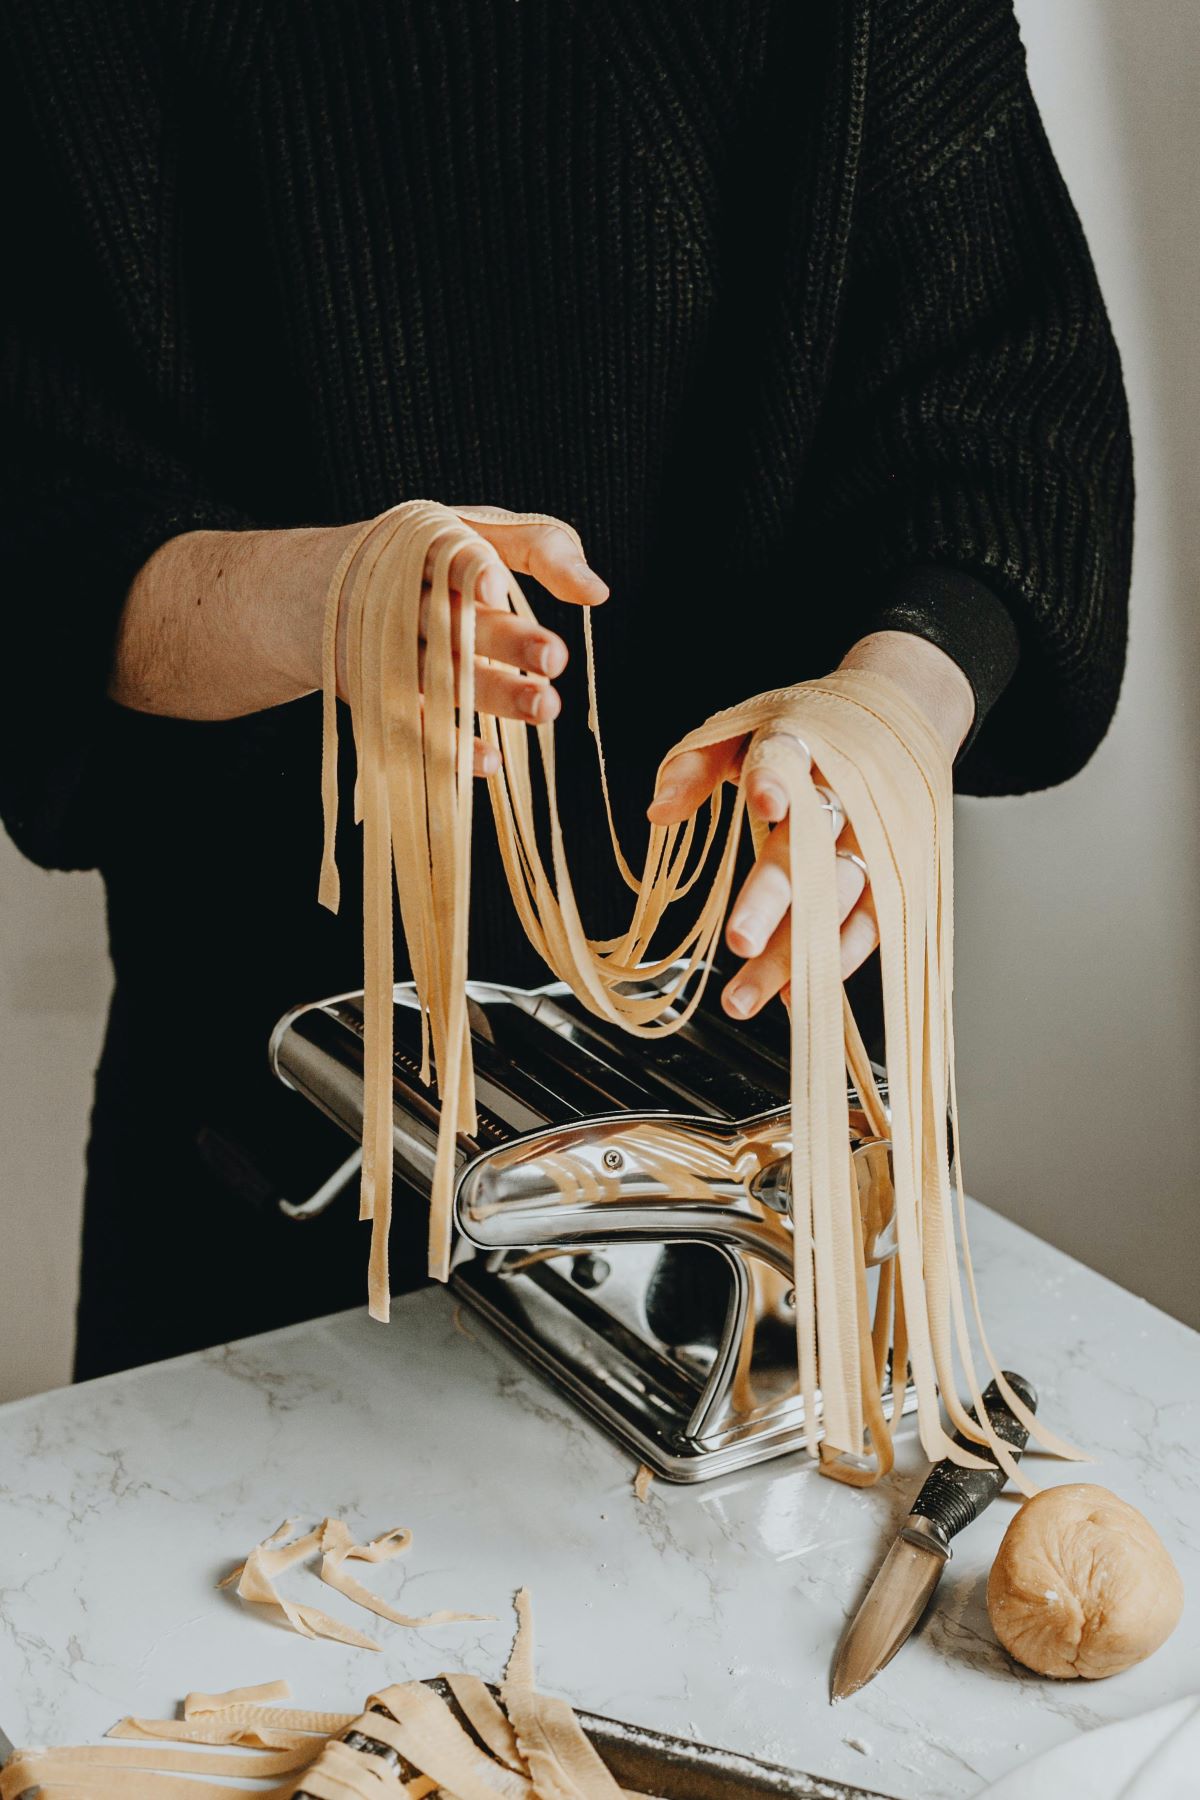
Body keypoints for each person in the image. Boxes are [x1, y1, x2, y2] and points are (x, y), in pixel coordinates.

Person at [0, 0, 1132, 1381]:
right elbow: (40, 539)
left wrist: (895, 702)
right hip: (273, 1150)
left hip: (775, 1147)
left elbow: (1018, 438)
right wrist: (316, 601)